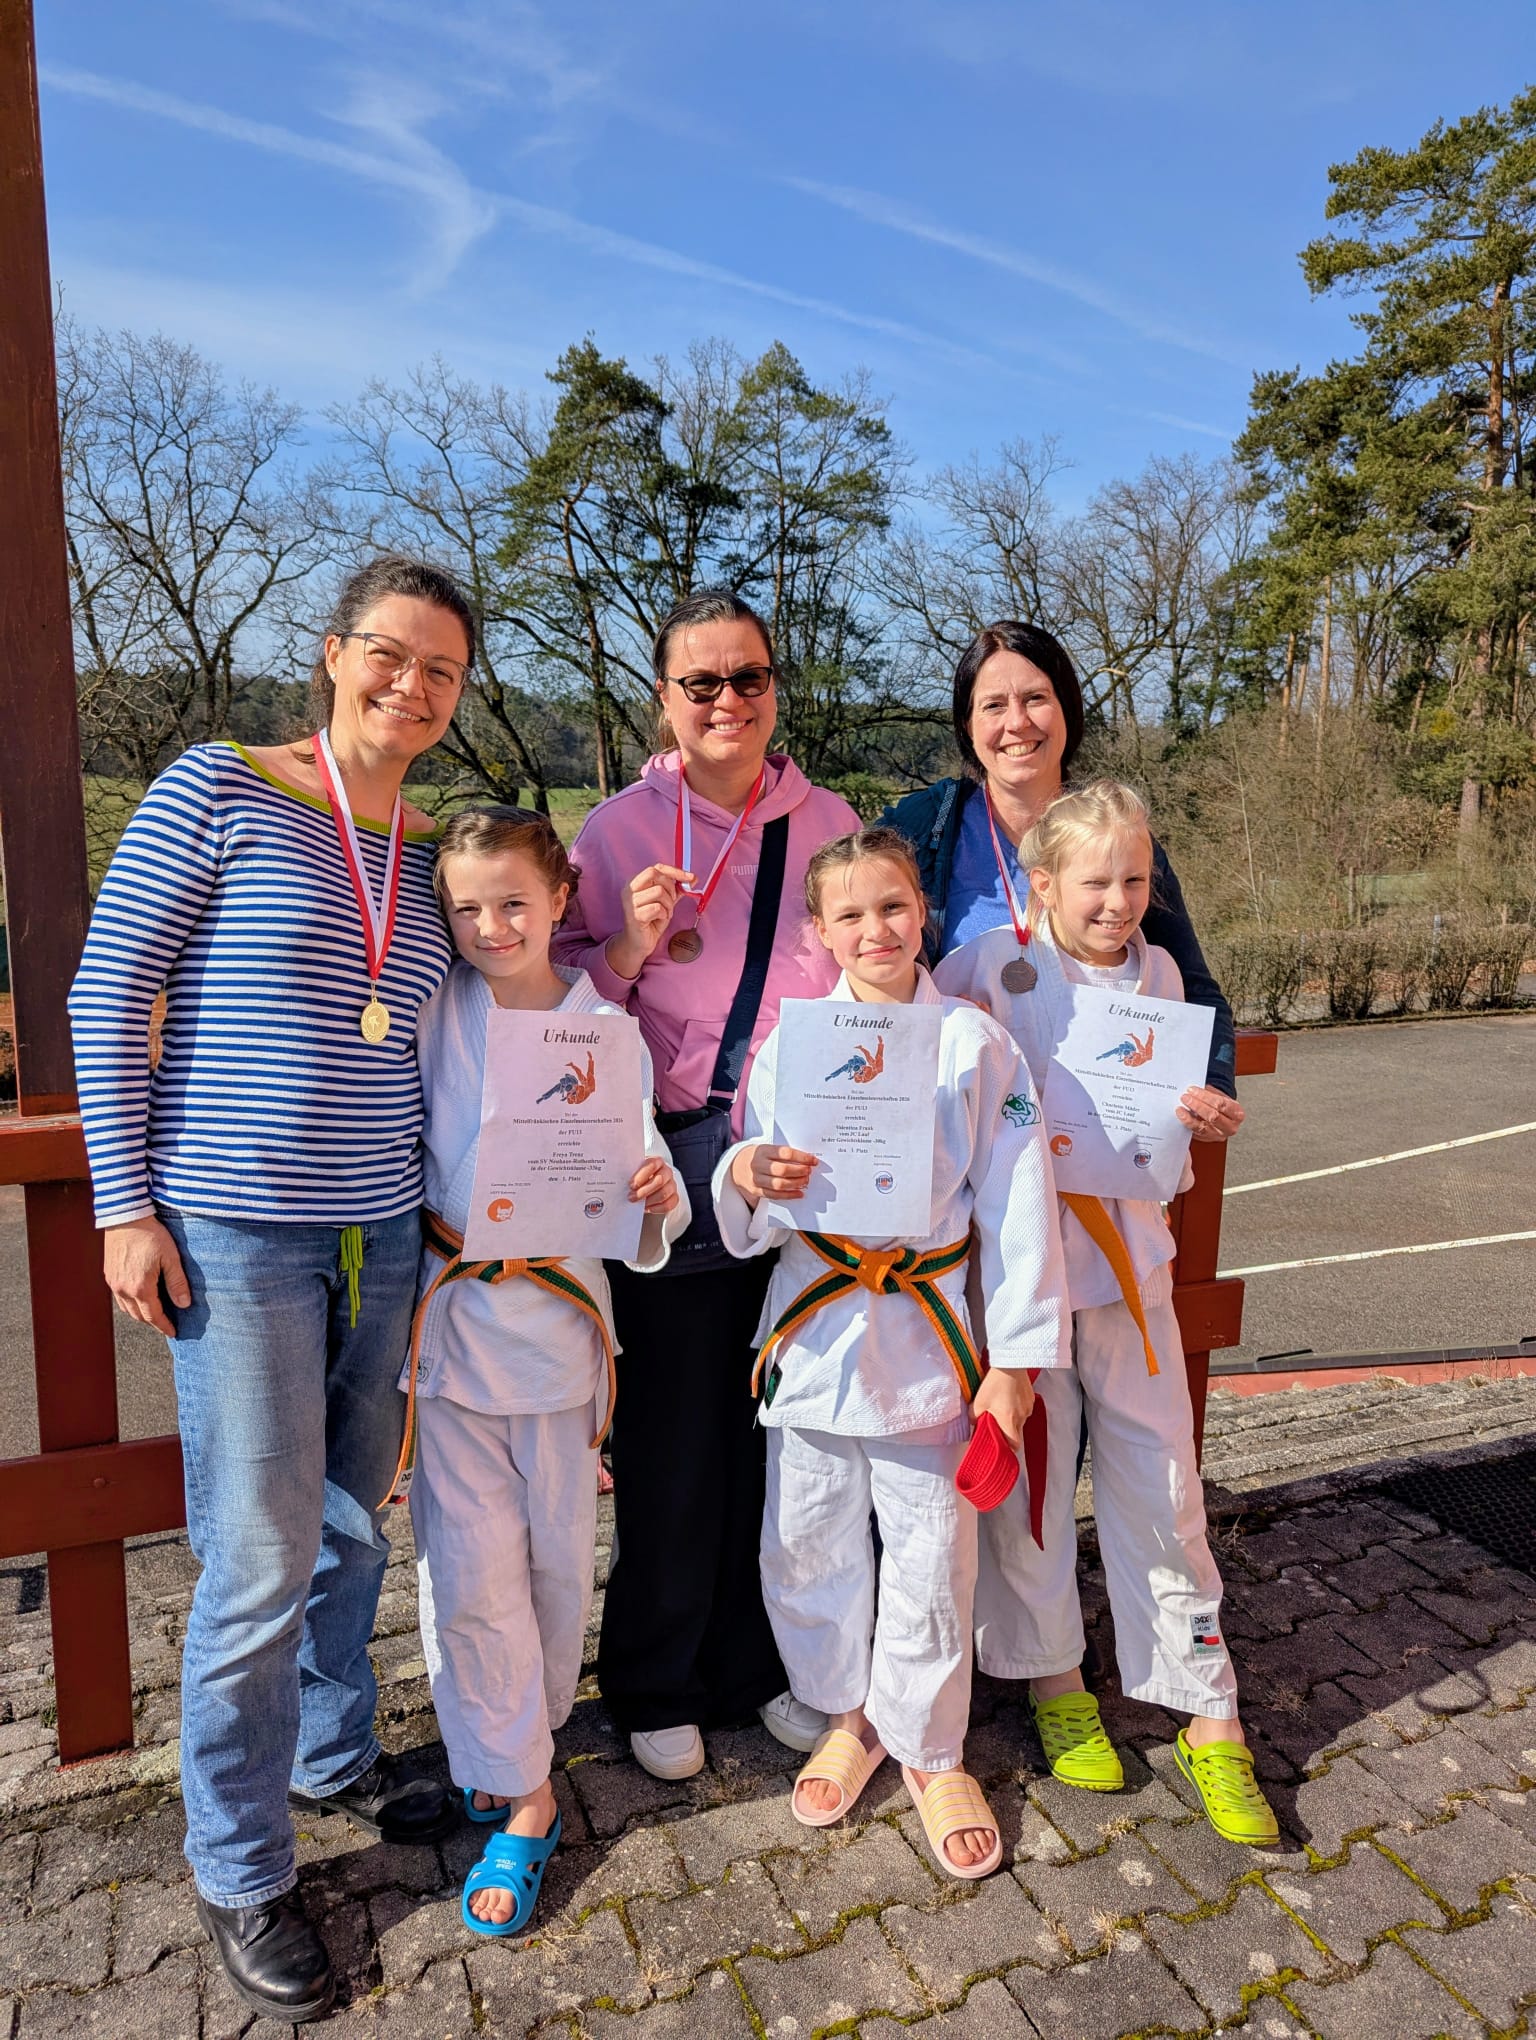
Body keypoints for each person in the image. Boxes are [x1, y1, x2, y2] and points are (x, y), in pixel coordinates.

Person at [68, 555, 476, 2024]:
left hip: (382, 1230)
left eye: (441, 670)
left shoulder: (426, 846)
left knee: (354, 1521)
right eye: (389, 654)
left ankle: (329, 1753)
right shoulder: (219, 786)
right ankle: (239, 1863)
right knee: (258, 1551)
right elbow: (108, 988)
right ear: (334, 652)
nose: (411, 686)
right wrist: (124, 1203)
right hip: (237, 1231)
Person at [712, 827, 1070, 1878]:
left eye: (895, 906)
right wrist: (749, 1175)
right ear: (819, 933)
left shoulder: (975, 1043)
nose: (876, 929)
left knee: (931, 1552)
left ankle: (932, 1745)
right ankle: (849, 1715)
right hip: (817, 1328)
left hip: (926, 1340)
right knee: (806, 1537)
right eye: (851, 914)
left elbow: (1019, 1205)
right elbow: (755, 1182)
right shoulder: (791, 1044)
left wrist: (1015, 1364)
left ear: (923, 913)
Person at [552, 589, 861, 1780]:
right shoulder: (616, 830)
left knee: (777, 1426)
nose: (728, 701)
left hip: (807, 1167)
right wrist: (627, 946)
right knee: (676, 1433)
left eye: (749, 678)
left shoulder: (830, 822)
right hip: (676, 1159)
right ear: (664, 698)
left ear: (775, 687)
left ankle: (752, 1662)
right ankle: (655, 1676)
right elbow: (560, 1007)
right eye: (702, 683)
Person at [934, 781, 1279, 1846]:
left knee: (1163, 1479)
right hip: (1021, 1274)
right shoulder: (982, 969)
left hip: (1131, 1266)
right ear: (1042, 884)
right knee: (1032, 1491)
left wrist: (1201, 1115)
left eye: (1134, 880)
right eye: (1095, 882)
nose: (1118, 902)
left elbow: (1169, 1124)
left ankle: (1208, 1710)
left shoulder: (1163, 974)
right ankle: (1053, 1680)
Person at [402, 807, 686, 1937]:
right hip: (454, 1325)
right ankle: (524, 1789)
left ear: (563, 898)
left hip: (563, 1332)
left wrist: (657, 1189)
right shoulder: (434, 1009)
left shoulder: (605, 1030)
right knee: (467, 1569)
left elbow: (639, 1154)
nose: (490, 926)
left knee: (557, 1562)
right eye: (466, 907)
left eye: (513, 902)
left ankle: (517, 1738)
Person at [878, 621, 1241, 1114]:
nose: (1017, 722)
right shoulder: (921, 832)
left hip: (1099, 1134)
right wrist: (936, 1016)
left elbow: (1194, 989)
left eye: (1036, 698)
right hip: (969, 1127)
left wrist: (1214, 1084)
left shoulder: (1121, 836)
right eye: (993, 705)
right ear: (967, 725)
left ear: (1067, 708)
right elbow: (865, 964)